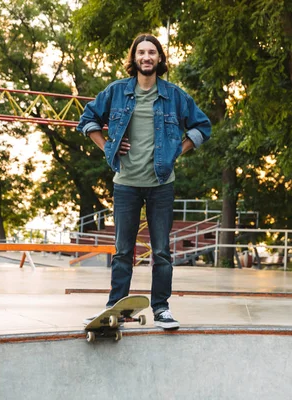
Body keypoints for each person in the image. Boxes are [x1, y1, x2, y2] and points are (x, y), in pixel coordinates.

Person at [77, 33, 212, 329]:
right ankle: (114, 307)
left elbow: (203, 125)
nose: (147, 57)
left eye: (152, 52)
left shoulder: (174, 95)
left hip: (161, 184)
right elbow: (86, 120)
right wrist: (108, 146)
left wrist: (179, 149)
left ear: (160, 59)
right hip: (125, 183)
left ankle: (161, 308)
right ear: (134, 59)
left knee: (161, 251)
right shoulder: (116, 92)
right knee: (123, 250)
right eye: (142, 53)